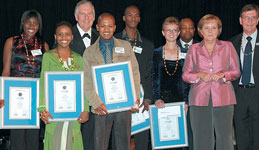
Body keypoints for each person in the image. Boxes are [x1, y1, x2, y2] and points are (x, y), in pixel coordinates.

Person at [83, 13, 140, 150]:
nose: (106, 29)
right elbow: (86, 81)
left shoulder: (126, 46)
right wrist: (96, 103)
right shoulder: (89, 52)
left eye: (110, 26)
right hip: (101, 107)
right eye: (103, 26)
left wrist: (134, 98)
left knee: (123, 144)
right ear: (97, 27)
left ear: (115, 28)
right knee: (100, 145)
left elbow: (134, 73)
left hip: (124, 105)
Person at [182, 14, 240, 150]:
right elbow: (185, 75)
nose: (210, 31)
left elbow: (236, 71)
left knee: (225, 138)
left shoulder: (228, 46)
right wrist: (199, 75)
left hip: (224, 97)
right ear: (200, 30)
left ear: (218, 30)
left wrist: (223, 74)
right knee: (201, 138)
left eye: (213, 28)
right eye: (206, 27)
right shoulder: (194, 48)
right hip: (199, 98)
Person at [1, 10, 49, 150]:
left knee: (34, 138)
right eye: (28, 22)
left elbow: (45, 74)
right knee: (17, 137)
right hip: (15, 96)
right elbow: (5, 70)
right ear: (23, 23)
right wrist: (2, 95)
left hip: (35, 97)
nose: (31, 26)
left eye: (35, 23)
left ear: (39, 26)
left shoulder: (43, 45)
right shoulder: (11, 42)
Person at [39, 21, 89, 150]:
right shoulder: (48, 56)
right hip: (53, 110)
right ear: (55, 36)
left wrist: (86, 109)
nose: (64, 37)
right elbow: (43, 84)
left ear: (72, 37)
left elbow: (83, 85)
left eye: (67, 34)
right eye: (60, 34)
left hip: (74, 110)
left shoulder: (78, 58)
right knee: (55, 140)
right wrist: (42, 109)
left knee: (72, 139)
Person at [115, 5, 154, 150]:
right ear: (124, 18)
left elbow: (150, 74)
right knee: (119, 139)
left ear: (139, 19)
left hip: (141, 99)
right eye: (129, 15)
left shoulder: (148, 45)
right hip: (119, 98)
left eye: (136, 15)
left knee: (142, 140)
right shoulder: (113, 40)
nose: (133, 18)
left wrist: (149, 98)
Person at [230, 4, 259, 150]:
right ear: (240, 20)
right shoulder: (232, 43)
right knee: (241, 135)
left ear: (258, 20)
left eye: (253, 17)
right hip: (238, 94)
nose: (250, 21)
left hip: (257, 93)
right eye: (246, 18)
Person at [72, 1, 99, 149]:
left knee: (92, 140)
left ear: (94, 17)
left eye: (90, 13)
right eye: (83, 13)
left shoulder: (101, 36)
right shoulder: (65, 35)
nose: (86, 17)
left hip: (95, 98)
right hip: (73, 97)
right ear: (76, 16)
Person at [177, 17, 197, 150]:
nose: (188, 30)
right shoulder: (169, 46)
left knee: (195, 133)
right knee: (177, 134)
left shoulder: (201, 47)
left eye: (190, 27)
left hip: (196, 97)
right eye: (184, 27)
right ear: (179, 30)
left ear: (195, 30)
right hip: (175, 98)